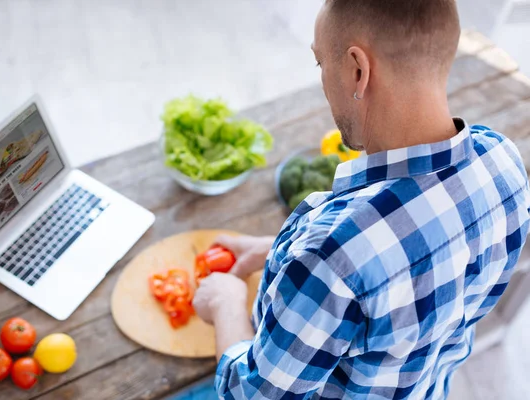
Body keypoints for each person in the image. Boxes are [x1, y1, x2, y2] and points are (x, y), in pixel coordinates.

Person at [193, 0, 530, 398]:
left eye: (321, 63)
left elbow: (249, 395)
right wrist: (283, 258)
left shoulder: (332, 253)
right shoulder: (503, 161)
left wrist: (226, 305)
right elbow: (412, 277)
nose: (322, 80)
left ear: (358, 70)